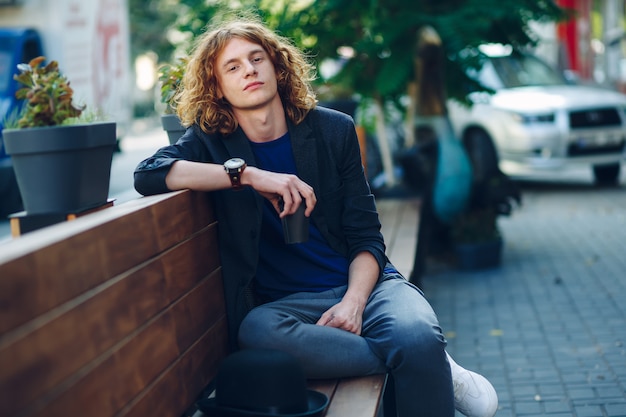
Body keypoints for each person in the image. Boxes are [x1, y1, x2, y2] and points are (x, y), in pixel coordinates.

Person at [134, 17, 498, 417]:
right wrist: (249, 175)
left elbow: (366, 237)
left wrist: (354, 303)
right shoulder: (211, 142)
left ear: (277, 66)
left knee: (416, 331)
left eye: (257, 59)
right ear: (218, 87)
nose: (250, 71)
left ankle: (419, 350)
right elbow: (148, 174)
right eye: (233, 67)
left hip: (368, 287)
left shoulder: (332, 130)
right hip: (287, 306)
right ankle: (431, 362)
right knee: (256, 332)